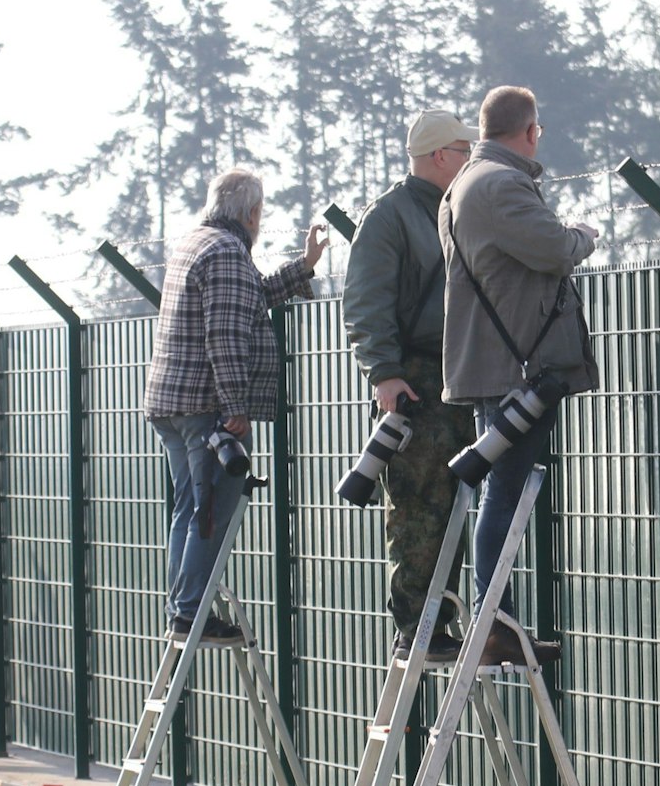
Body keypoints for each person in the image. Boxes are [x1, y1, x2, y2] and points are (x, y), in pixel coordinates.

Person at [438, 85, 597, 666]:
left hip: (491, 360)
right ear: (529, 131)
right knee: (505, 491)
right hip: (517, 368)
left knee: (501, 490)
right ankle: (491, 622)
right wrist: (586, 233)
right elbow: (554, 248)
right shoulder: (501, 185)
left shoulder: (460, 186)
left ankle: (491, 619)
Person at [144, 167, 327, 640]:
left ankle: (184, 609)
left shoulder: (195, 243)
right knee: (209, 512)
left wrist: (302, 268)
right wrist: (234, 409)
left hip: (172, 402)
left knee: (189, 508)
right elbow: (224, 337)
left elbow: (249, 297)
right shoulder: (227, 252)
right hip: (206, 406)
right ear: (251, 213)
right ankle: (189, 615)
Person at [343, 109, 481, 664]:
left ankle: (438, 619)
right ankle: (417, 624)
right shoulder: (391, 216)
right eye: (463, 150)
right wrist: (384, 372)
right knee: (418, 501)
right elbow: (366, 300)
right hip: (416, 378)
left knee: (453, 501)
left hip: (460, 372)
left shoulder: (457, 209)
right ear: (440, 156)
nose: (471, 158)